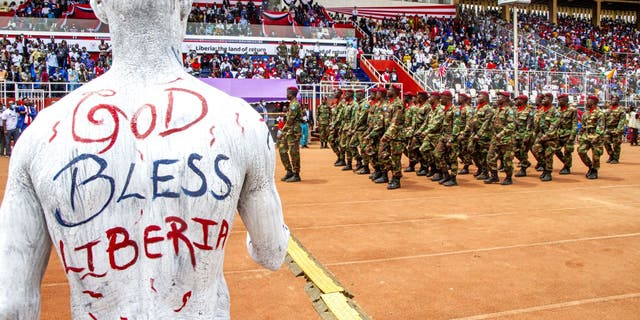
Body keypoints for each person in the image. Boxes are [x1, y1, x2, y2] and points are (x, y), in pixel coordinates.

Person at [0, 0, 290, 319]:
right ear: (185, 6)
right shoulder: (241, 122)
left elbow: (11, 304)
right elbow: (272, 253)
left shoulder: (41, 135)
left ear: (99, 7)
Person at [578, 95, 605, 179]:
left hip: (596, 137)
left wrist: (596, 136)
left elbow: (601, 126)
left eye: (588, 100)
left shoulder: (599, 113)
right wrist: (580, 134)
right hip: (586, 136)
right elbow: (583, 125)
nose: (586, 102)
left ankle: (595, 170)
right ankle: (590, 166)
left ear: (594, 102)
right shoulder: (586, 113)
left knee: (596, 155)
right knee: (581, 151)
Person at [279, 86, 303, 182]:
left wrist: (282, 131)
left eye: (287, 92)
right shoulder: (291, 104)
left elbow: (290, 120)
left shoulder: (295, 105)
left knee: (294, 153)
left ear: (291, 93)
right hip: (289, 131)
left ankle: (296, 174)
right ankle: (289, 171)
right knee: (282, 150)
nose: (286, 94)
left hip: (293, 131)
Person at [554, 94, 578, 174]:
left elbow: (575, 124)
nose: (559, 102)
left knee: (567, 151)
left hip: (568, 134)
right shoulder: (558, 110)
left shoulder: (572, 110)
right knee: (556, 149)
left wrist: (572, 136)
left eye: (561, 100)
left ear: (565, 101)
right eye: (558, 100)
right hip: (559, 134)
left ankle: (567, 167)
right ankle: (566, 163)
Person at [603, 95, 625, 164]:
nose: (613, 101)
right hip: (608, 129)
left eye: (615, 100)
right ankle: (611, 155)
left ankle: (616, 158)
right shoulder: (608, 109)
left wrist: (618, 130)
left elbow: (622, 121)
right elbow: (604, 120)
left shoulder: (621, 110)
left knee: (616, 145)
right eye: (612, 100)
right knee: (605, 142)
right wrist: (603, 129)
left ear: (618, 101)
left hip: (616, 129)